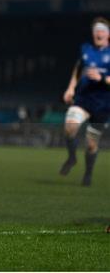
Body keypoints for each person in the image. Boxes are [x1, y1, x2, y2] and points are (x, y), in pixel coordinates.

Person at [60, 17, 109, 186]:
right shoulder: (86, 49)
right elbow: (78, 69)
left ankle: (88, 174)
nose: (98, 33)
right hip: (83, 98)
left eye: (102, 30)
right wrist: (70, 88)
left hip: (103, 104)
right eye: (96, 30)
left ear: (108, 34)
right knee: (70, 127)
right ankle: (72, 157)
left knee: (91, 144)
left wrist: (102, 78)